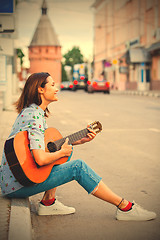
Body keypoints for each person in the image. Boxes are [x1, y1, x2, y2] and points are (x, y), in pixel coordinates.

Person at [0, 72, 156, 221]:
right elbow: (40, 159)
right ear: (40, 89)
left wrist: (78, 140)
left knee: (65, 151)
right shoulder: (34, 117)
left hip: (13, 181)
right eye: (53, 85)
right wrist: (61, 152)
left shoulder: (32, 112)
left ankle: (48, 203)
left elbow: (41, 148)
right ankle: (125, 207)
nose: (57, 89)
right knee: (78, 167)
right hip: (18, 186)